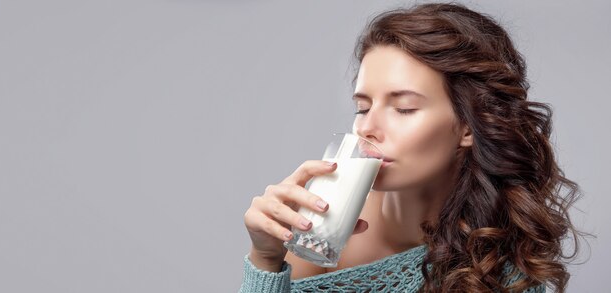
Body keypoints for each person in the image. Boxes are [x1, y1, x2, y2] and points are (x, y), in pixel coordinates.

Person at [240, 3, 582, 292]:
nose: (368, 128)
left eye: (403, 108)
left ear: (468, 126)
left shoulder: (503, 262)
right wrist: (265, 259)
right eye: (362, 108)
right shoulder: (323, 220)